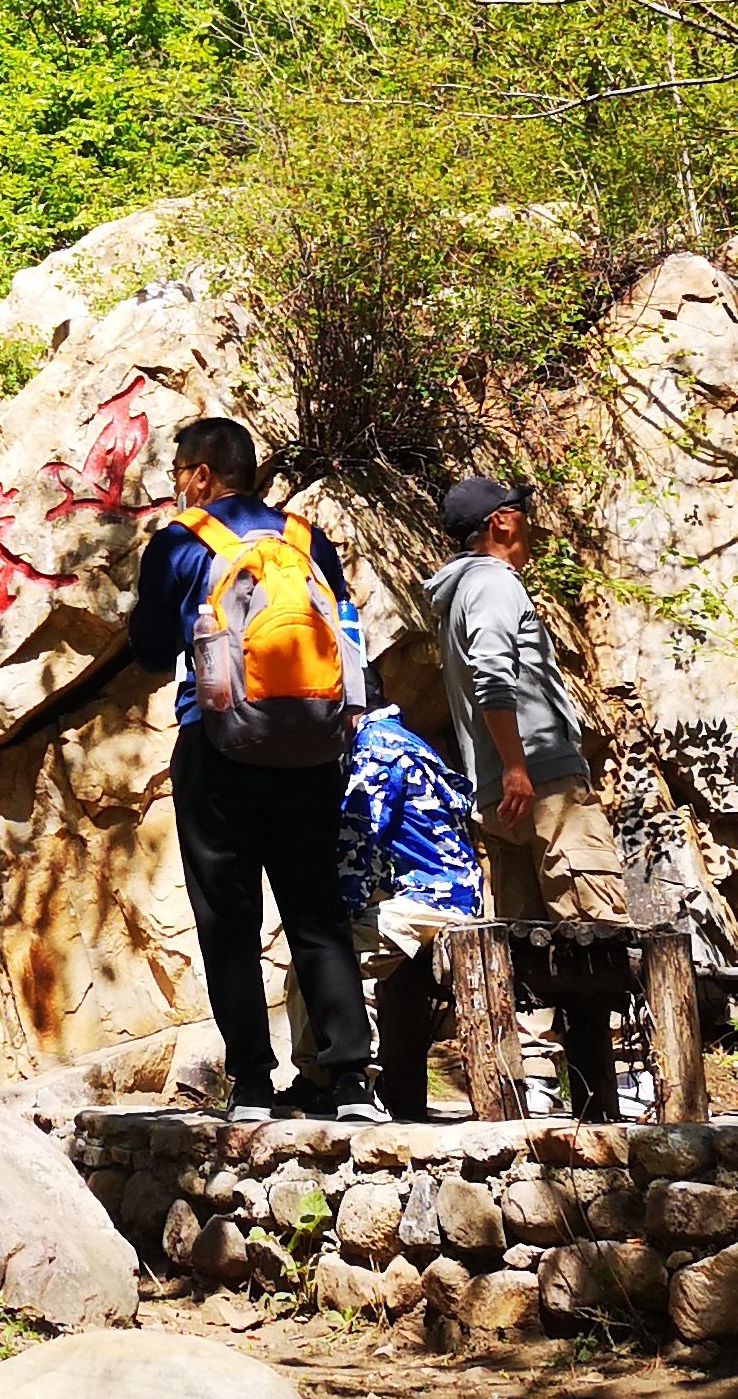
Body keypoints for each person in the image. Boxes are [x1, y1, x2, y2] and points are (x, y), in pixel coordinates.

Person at [127, 414, 380, 1120]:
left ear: (203, 475)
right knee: (316, 909)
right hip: (311, 748)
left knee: (228, 918)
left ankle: (253, 1085)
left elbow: (149, 649)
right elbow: (345, 632)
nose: (177, 486)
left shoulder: (181, 542)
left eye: (179, 473)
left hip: (217, 745)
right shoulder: (305, 538)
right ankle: (350, 1078)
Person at [426, 473, 631, 1111]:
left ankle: (546, 1089)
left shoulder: (457, 593)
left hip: (502, 793)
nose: (531, 523)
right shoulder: (492, 582)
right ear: (501, 522)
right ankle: (604, 1097)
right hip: (538, 782)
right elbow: (494, 673)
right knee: (593, 930)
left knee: (530, 943)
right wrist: (518, 765)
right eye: (522, 511)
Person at [331, 701, 483, 1120]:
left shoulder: (376, 747)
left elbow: (360, 836)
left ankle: (339, 1082)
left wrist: (340, 908)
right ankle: (360, 1084)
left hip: (433, 897)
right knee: (336, 952)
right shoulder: (401, 738)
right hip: (439, 892)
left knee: (331, 958)